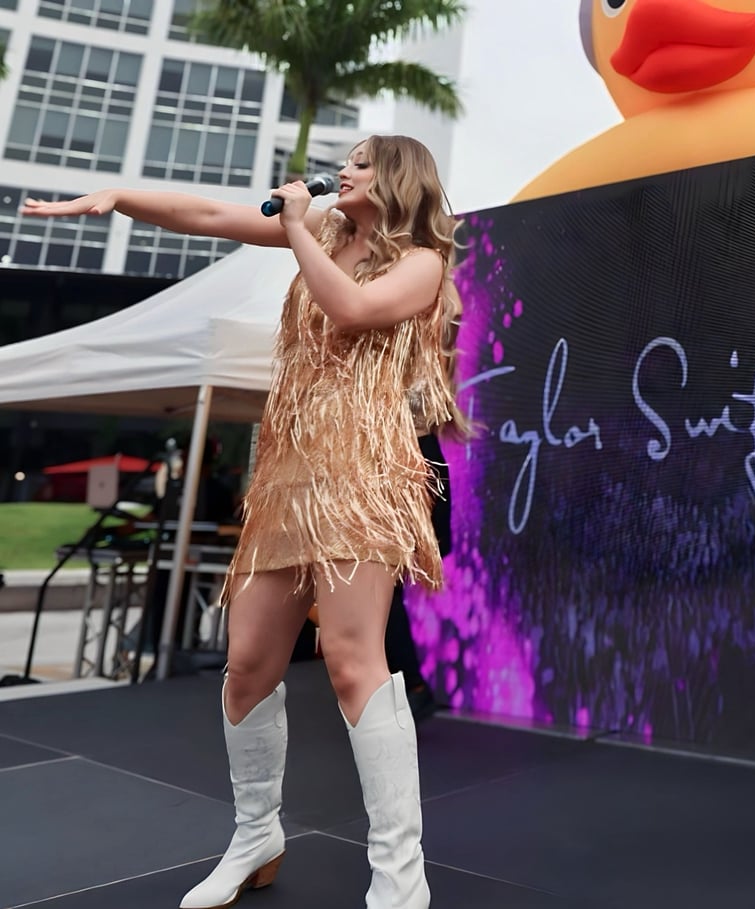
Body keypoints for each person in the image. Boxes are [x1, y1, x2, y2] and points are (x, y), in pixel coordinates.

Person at [21, 133, 468, 909]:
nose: (344, 172)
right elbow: (207, 214)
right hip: (288, 467)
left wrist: (297, 225)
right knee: (247, 663)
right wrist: (122, 196)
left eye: (360, 163)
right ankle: (256, 832)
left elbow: (355, 309)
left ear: (393, 177)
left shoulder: (421, 259)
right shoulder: (326, 229)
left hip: (364, 469)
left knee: (352, 657)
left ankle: (401, 872)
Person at [385, 430, 452, 722]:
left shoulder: (411, 428)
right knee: (384, 603)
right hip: (394, 528)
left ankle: (411, 686)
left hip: (394, 530)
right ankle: (407, 686)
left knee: (385, 603)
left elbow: (435, 480)